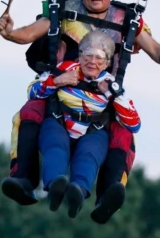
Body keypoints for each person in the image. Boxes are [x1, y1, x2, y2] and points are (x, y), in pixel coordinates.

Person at [0, 0, 160, 223]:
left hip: (103, 99)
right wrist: (9, 33)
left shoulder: (127, 19)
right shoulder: (65, 11)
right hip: (62, 89)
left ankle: (108, 193)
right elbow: (28, 34)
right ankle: (23, 178)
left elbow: (156, 50)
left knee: (123, 132)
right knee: (28, 112)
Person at [28, 30, 141, 218]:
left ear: (106, 63)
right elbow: (32, 93)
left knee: (88, 156)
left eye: (99, 58)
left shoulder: (110, 84)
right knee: (56, 146)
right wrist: (57, 81)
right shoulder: (63, 68)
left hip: (92, 130)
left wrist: (114, 96)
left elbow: (134, 124)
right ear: (80, 55)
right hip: (60, 122)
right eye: (88, 55)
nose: (92, 62)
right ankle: (55, 185)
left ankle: (78, 192)